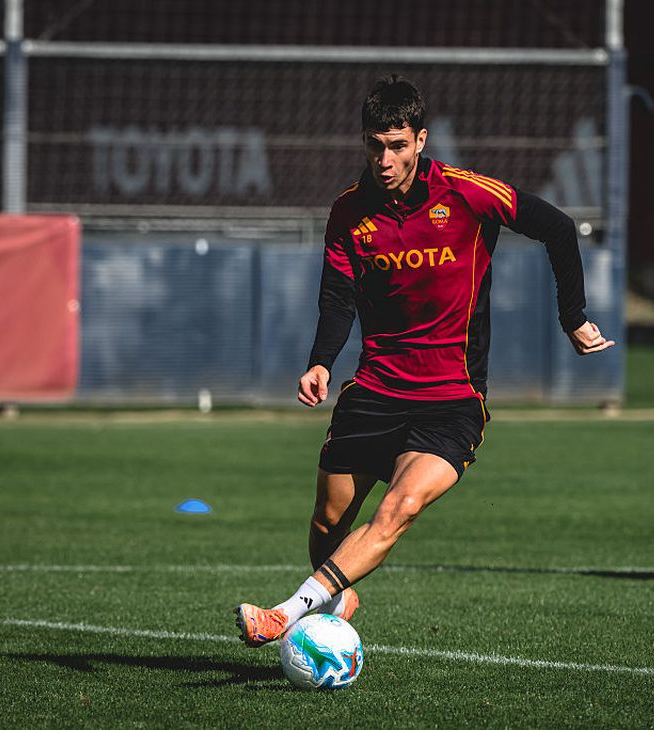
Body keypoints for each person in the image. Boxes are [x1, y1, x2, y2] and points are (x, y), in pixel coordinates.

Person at [235, 75, 615, 644]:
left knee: (400, 506)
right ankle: (338, 595)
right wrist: (321, 363)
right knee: (327, 522)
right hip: (375, 388)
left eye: (396, 145)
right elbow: (337, 299)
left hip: (451, 399)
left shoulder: (467, 193)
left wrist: (573, 317)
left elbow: (558, 229)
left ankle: (285, 615)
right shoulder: (348, 213)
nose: (384, 158)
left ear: (420, 140)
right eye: (373, 145)